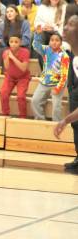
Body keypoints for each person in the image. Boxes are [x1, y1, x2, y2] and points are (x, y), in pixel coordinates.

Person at [54, 15, 78, 172]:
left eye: (70, 24)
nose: (65, 27)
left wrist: (65, 120)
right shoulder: (75, 60)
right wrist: (66, 120)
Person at [32, 28, 69, 122]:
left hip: (58, 83)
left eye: (57, 40)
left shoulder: (64, 56)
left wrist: (58, 88)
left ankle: (57, 124)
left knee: (56, 105)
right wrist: (37, 34)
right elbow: (35, 46)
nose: (54, 42)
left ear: (61, 42)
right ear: (49, 42)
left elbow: (64, 76)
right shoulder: (46, 49)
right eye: (52, 40)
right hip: (45, 82)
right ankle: (40, 120)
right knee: (35, 101)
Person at [0, 5, 31, 73]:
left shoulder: (25, 23)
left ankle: (8, 73)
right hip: (7, 46)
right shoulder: (2, 24)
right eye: (7, 12)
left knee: (7, 51)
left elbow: (26, 39)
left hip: (21, 46)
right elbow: (0, 38)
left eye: (11, 11)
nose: (9, 13)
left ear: (17, 13)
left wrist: (15, 45)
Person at [0, 34, 30, 118]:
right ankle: (5, 115)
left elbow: (23, 68)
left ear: (20, 43)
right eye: (11, 42)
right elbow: (7, 67)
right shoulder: (6, 52)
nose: (13, 44)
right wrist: (7, 57)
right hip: (10, 77)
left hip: (23, 77)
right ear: (9, 43)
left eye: (16, 42)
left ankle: (23, 116)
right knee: (3, 93)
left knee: (20, 96)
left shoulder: (25, 52)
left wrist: (13, 57)